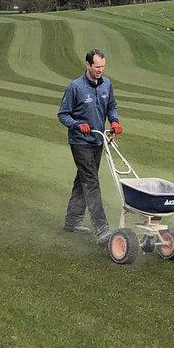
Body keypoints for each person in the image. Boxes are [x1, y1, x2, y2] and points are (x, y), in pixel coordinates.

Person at [57, 48, 123, 243]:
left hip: (98, 140)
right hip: (80, 142)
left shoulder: (107, 85)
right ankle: (102, 230)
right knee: (92, 182)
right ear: (88, 65)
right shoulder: (75, 87)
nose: (100, 70)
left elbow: (111, 106)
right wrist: (77, 124)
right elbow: (63, 114)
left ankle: (72, 221)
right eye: (97, 67)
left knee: (83, 180)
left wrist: (114, 121)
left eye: (103, 66)